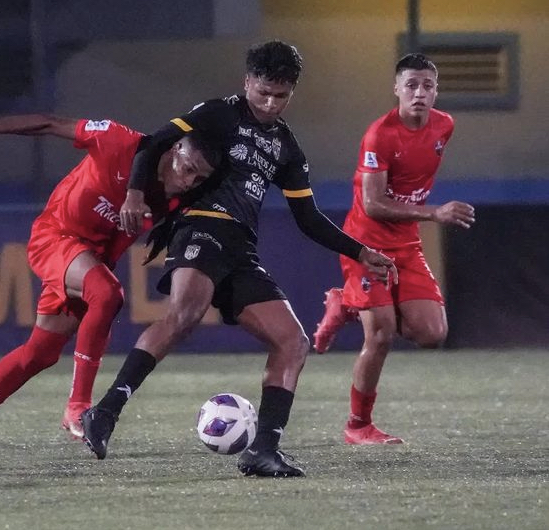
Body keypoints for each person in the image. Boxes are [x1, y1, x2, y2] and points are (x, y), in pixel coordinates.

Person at [80, 41, 397, 477]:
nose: (270, 104)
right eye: (263, 92)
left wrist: (361, 252)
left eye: (281, 96)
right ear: (247, 82)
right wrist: (134, 194)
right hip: (202, 226)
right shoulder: (219, 113)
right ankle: (105, 412)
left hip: (240, 248)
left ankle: (263, 450)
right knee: (184, 316)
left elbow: (307, 217)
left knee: (293, 341)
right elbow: (154, 144)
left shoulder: (286, 146)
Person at [0, 114, 221, 474]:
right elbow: (48, 124)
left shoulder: (178, 199)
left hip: (88, 262)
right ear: (175, 148)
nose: (189, 181)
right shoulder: (117, 141)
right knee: (108, 294)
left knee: (39, 354)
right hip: (55, 238)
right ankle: (78, 406)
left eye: (199, 178)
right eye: (188, 169)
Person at [311, 53, 475, 444]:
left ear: (436, 91)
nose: (419, 93)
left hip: (406, 243)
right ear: (397, 89)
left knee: (433, 334)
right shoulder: (379, 135)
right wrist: (434, 212)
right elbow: (372, 204)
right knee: (381, 335)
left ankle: (347, 304)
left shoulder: (445, 126)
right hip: (365, 245)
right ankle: (358, 426)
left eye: (427, 86)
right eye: (411, 85)